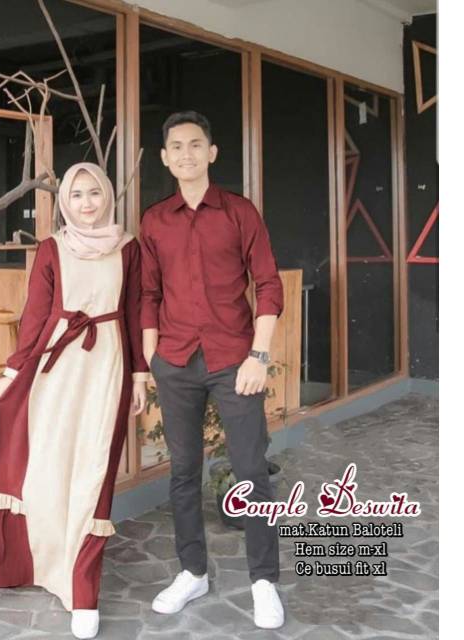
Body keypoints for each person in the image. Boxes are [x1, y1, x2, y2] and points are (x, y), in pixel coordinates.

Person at [0, 162, 149, 640]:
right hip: (53, 373)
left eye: (94, 193)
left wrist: (139, 376)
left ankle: (81, 590)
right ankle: (45, 567)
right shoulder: (51, 248)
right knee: (46, 470)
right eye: (77, 195)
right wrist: (11, 373)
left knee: (92, 474)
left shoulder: (129, 249)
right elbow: (36, 316)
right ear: (64, 201)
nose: (87, 203)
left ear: (107, 196)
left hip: (106, 370)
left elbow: (133, 312)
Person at [140, 111, 285, 629]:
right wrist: (152, 360)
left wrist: (259, 356)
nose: (187, 154)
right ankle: (192, 571)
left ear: (212, 152)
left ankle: (263, 581)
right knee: (183, 471)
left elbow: (268, 284)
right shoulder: (154, 221)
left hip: (234, 361)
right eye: (177, 146)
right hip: (176, 361)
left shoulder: (240, 212)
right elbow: (148, 293)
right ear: (165, 158)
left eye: (196, 144)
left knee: (251, 469)